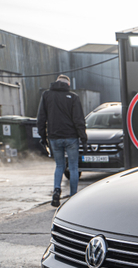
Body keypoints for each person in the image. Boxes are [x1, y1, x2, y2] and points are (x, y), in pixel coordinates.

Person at [37, 74, 87, 207]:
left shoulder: (46, 95)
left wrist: (43, 137)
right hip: (71, 137)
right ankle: (73, 196)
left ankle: (57, 190)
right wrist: (83, 138)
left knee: (59, 165)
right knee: (73, 166)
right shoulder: (73, 97)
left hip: (54, 137)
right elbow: (79, 120)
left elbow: (41, 118)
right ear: (68, 85)